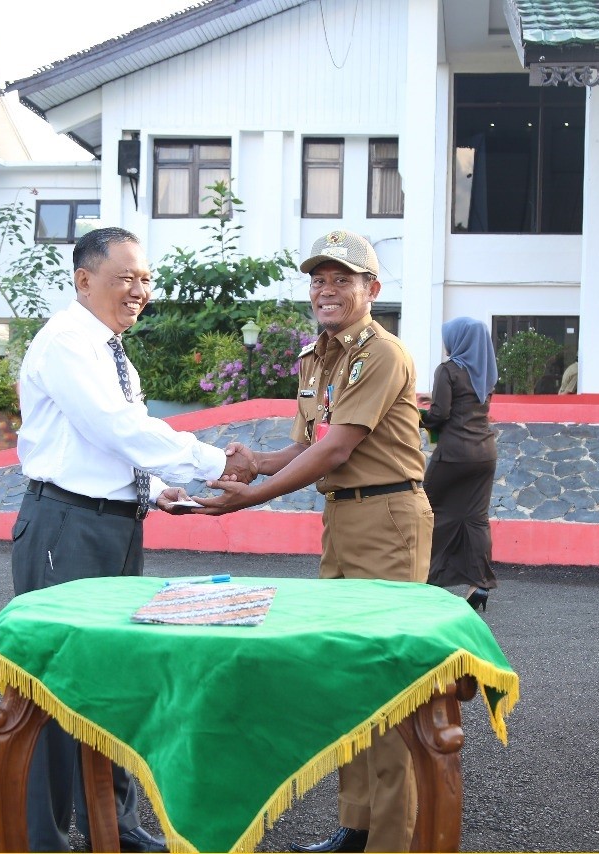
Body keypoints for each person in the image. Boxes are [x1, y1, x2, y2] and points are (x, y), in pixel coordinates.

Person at [11, 226, 257, 853]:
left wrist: (156, 489)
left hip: (113, 524)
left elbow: (120, 441)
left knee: (113, 675)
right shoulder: (68, 342)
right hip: (65, 528)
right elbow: (113, 427)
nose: (140, 291)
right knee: (58, 684)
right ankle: (47, 837)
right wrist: (211, 464)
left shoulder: (111, 349)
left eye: (146, 279)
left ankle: (110, 827)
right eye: (126, 278)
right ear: (83, 279)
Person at [189, 229, 432, 854]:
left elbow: (337, 446)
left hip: (389, 521)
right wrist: (253, 463)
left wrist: (251, 498)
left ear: (371, 289)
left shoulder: (380, 353)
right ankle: (356, 825)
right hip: (344, 521)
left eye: (342, 280)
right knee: (346, 675)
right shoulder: (315, 357)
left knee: (387, 678)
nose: (327, 291)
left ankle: (391, 840)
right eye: (319, 280)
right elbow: (307, 446)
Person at [419, 317, 498, 612]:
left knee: (423, 509)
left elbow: (439, 415)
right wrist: (435, 397)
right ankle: (479, 585)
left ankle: (423, 575)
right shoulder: (486, 373)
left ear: (458, 340)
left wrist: (414, 414)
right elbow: (467, 403)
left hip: (453, 454)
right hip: (484, 454)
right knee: (475, 518)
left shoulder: (448, 370)